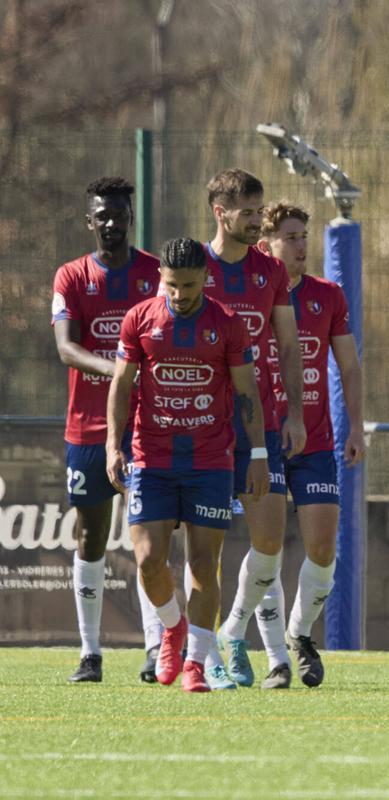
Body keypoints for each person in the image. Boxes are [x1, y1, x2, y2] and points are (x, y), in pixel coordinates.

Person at [105, 237, 268, 693]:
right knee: (148, 560)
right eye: (172, 285)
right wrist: (111, 447)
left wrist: (257, 454)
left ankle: (195, 662)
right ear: (161, 278)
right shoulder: (140, 319)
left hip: (210, 461)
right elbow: (121, 385)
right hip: (151, 457)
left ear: (206, 279)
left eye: (190, 285)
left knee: (202, 562)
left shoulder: (228, 324)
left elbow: (247, 394)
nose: (180, 294)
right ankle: (172, 627)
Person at [246, 201, 367, 689]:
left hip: (315, 439)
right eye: (290, 237)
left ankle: (299, 634)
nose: (301, 245)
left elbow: (350, 366)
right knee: (268, 545)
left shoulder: (327, 295)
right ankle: (275, 657)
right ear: (265, 245)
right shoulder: (253, 295)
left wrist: (355, 426)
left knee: (321, 547)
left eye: (304, 236)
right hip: (264, 438)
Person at [196, 169, 307, 690]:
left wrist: (297, 413)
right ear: (220, 213)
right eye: (248, 212)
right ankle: (202, 655)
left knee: (269, 541)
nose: (257, 221)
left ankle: (232, 631)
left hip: (259, 424)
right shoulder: (192, 266)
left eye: (260, 211)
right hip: (201, 427)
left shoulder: (271, 272)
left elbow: (288, 347)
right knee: (207, 548)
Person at [51, 176, 164, 683]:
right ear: (89, 220)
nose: (112, 223)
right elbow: (65, 348)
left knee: (147, 543)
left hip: (145, 430)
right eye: (104, 215)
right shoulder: (72, 277)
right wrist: (119, 367)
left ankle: (157, 646)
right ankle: (90, 652)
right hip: (87, 430)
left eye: (121, 214)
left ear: (130, 218)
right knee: (91, 537)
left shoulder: (154, 274)